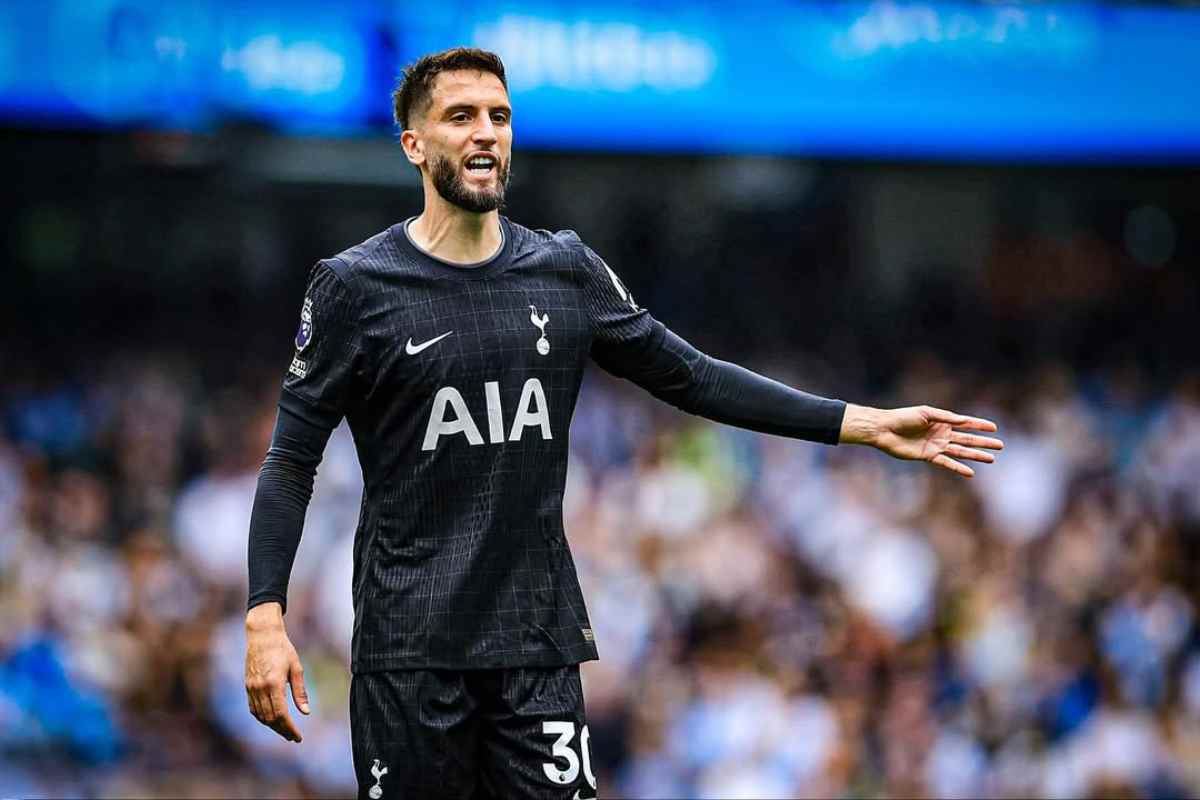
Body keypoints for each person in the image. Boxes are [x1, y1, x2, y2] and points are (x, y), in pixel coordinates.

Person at [243, 47, 1004, 799]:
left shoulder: (565, 268)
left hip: (535, 647)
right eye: (461, 116)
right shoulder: (354, 287)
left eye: (500, 117)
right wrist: (265, 618)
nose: (486, 133)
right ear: (414, 144)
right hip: (410, 653)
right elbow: (290, 460)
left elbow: (694, 377)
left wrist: (860, 424)